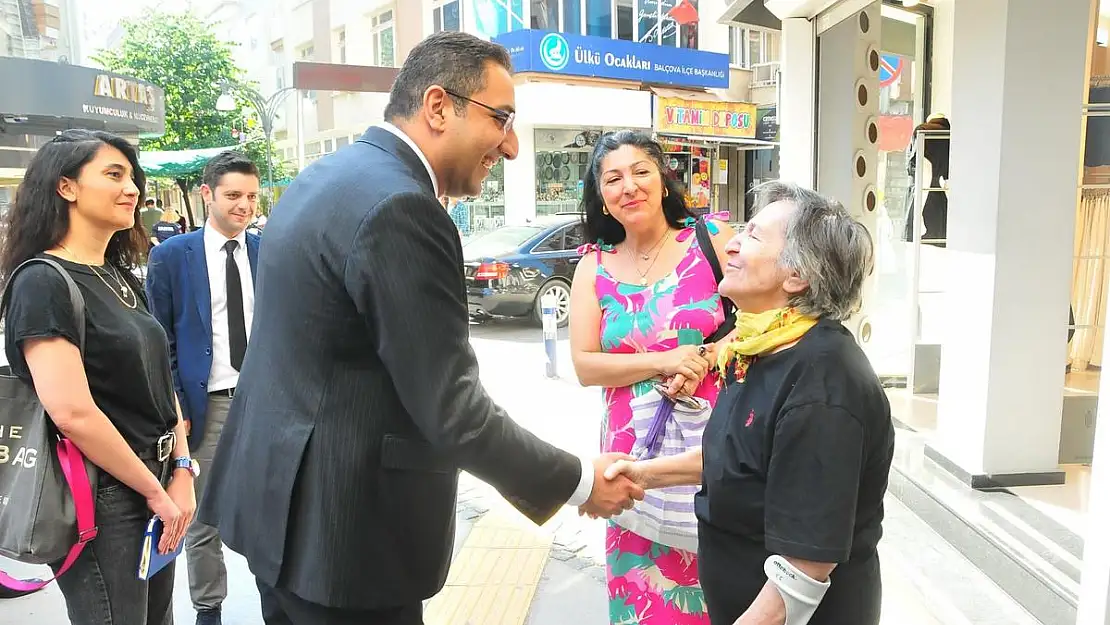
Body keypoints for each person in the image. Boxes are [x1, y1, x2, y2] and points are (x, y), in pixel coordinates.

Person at [197, 31, 643, 625]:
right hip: (345, 545)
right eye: (501, 119)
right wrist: (581, 481)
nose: (510, 147)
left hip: (277, 517)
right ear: (438, 107)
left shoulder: (324, 176)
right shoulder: (403, 208)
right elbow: (453, 410)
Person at [605, 182, 895, 625]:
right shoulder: (758, 348)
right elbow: (738, 456)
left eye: (754, 236)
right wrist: (641, 474)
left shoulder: (823, 386)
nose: (733, 243)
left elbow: (804, 568)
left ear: (797, 276)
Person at [0, 129, 196, 625]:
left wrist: (182, 470)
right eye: (114, 175)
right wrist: (154, 492)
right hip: (102, 496)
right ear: (66, 187)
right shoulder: (42, 280)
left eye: (133, 176)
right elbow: (72, 412)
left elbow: (159, 378)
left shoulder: (119, 274)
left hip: (158, 481)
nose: (133, 188)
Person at [569, 130, 734, 625]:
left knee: (720, 589)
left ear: (663, 182)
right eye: (613, 178)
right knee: (646, 602)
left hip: (708, 447)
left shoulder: (711, 241)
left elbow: (760, 322)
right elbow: (584, 364)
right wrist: (664, 361)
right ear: (601, 196)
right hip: (632, 455)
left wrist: (703, 357)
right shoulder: (592, 268)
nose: (629, 186)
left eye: (641, 171)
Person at [145, 150, 262, 625]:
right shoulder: (173, 256)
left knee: (271, 505)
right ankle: (208, 608)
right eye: (234, 195)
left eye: (252, 197)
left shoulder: (266, 250)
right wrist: (176, 408)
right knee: (201, 513)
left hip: (262, 403)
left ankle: (279, 594)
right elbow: (160, 337)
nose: (244, 206)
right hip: (205, 405)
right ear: (207, 194)